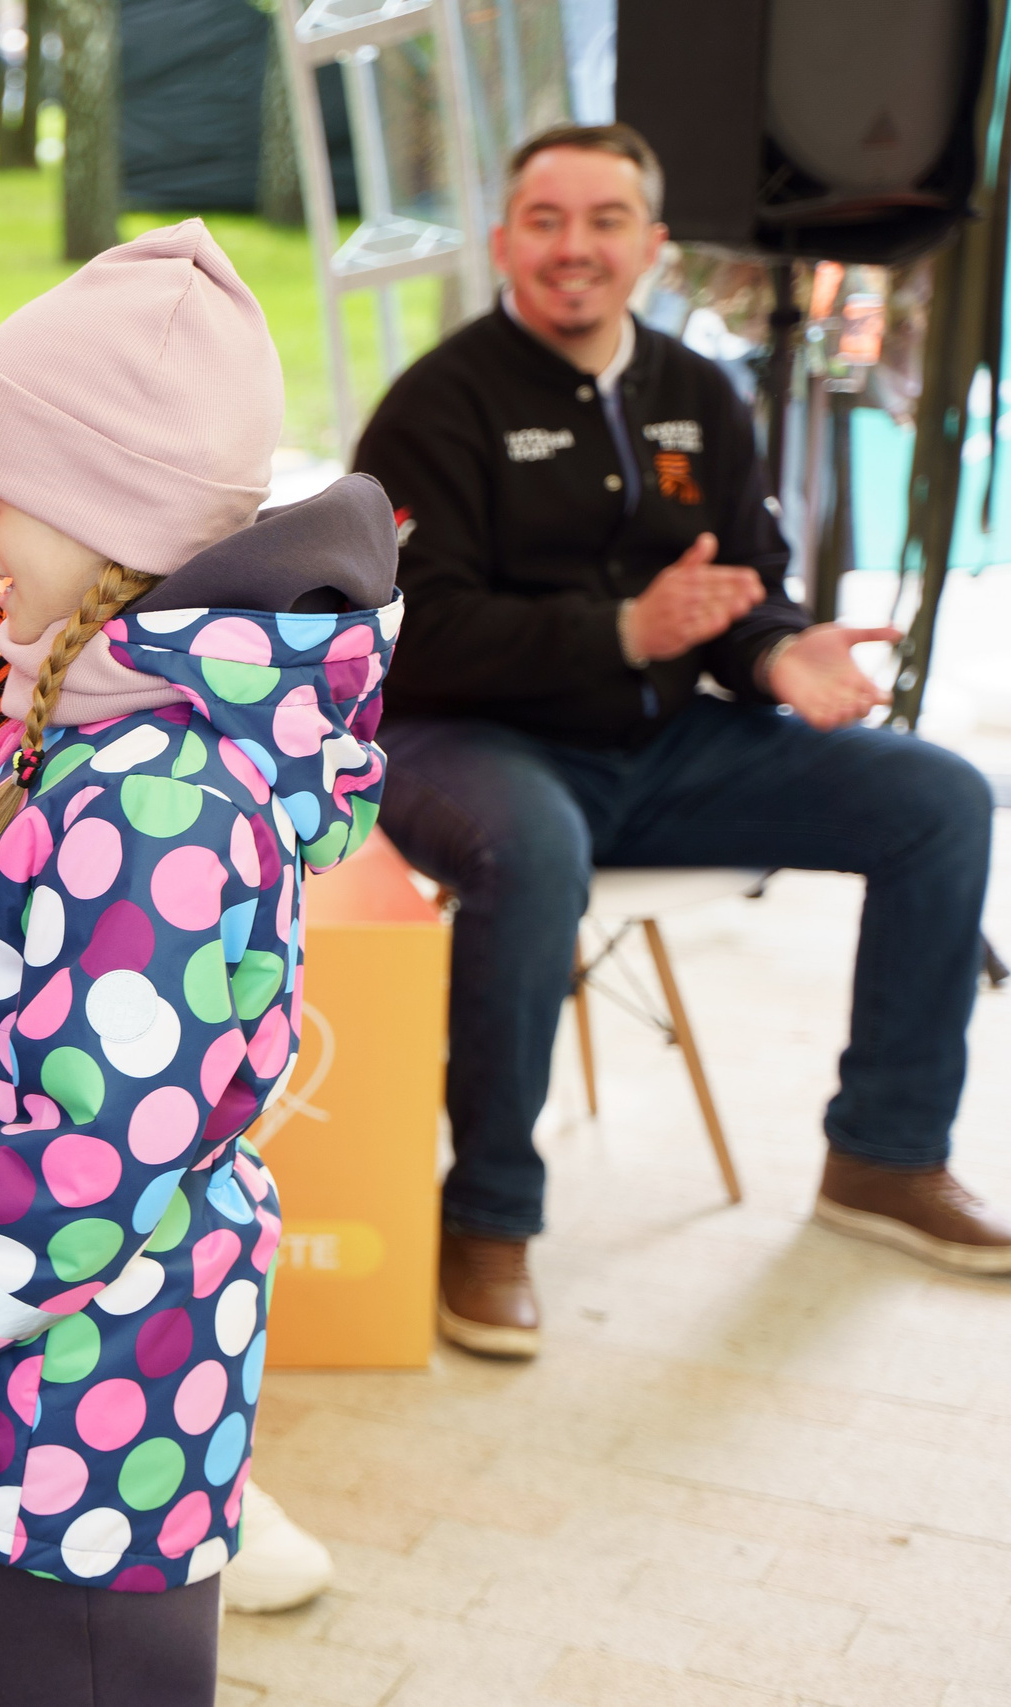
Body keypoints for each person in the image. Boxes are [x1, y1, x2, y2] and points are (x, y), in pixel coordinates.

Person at [0, 225, 398, 1705]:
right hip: (43, 1368)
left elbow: (97, 1158)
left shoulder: (155, 794)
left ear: (113, 519)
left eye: (7, 496)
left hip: (92, 1395)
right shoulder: (87, 721)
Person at [352, 122, 1006, 1358]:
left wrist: (769, 651)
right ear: (502, 241)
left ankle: (885, 1155)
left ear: (652, 245)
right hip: (471, 747)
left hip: (661, 749)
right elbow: (410, 635)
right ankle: (486, 1219)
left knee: (937, 797)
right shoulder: (435, 404)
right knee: (533, 848)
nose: (574, 247)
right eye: (546, 219)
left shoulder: (698, 393)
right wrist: (620, 630)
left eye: (606, 221)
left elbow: (738, 582)